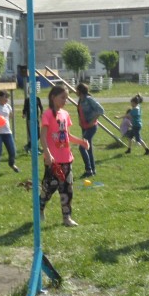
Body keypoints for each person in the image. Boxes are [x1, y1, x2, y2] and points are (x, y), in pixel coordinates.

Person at [40, 85, 89, 227]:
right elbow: (43, 137)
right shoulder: (47, 114)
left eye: (66, 98)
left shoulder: (65, 114)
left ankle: (67, 218)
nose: (65, 101)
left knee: (67, 190)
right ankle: (40, 209)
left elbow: (67, 135)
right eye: (62, 98)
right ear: (53, 97)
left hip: (67, 159)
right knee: (48, 189)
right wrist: (48, 154)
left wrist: (81, 142)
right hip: (53, 161)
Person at [75, 82, 104, 178]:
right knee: (88, 148)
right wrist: (80, 120)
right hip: (84, 127)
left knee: (82, 147)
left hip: (91, 127)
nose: (75, 91)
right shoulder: (80, 100)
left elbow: (101, 110)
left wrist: (93, 120)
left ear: (80, 91)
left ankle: (88, 170)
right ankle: (93, 170)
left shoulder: (89, 99)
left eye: (77, 90)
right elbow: (80, 112)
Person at [22, 88, 43, 154]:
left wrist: (41, 114)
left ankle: (28, 146)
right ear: (29, 92)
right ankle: (35, 148)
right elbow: (25, 108)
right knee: (32, 134)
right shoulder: (27, 100)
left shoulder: (37, 99)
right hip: (30, 119)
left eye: (35, 91)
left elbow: (41, 107)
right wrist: (24, 114)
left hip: (36, 119)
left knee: (38, 134)